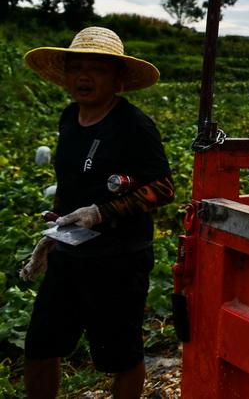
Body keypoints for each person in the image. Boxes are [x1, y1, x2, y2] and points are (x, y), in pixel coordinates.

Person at [19, 27, 175, 399]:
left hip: (118, 261)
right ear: (65, 75)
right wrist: (54, 230)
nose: (83, 77)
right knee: (41, 345)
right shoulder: (69, 118)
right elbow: (71, 184)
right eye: (76, 68)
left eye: (97, 69)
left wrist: (101, 213)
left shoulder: (134, 126)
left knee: (120, 355)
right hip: (69, 256)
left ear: (118, 78)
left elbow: (165, 188)